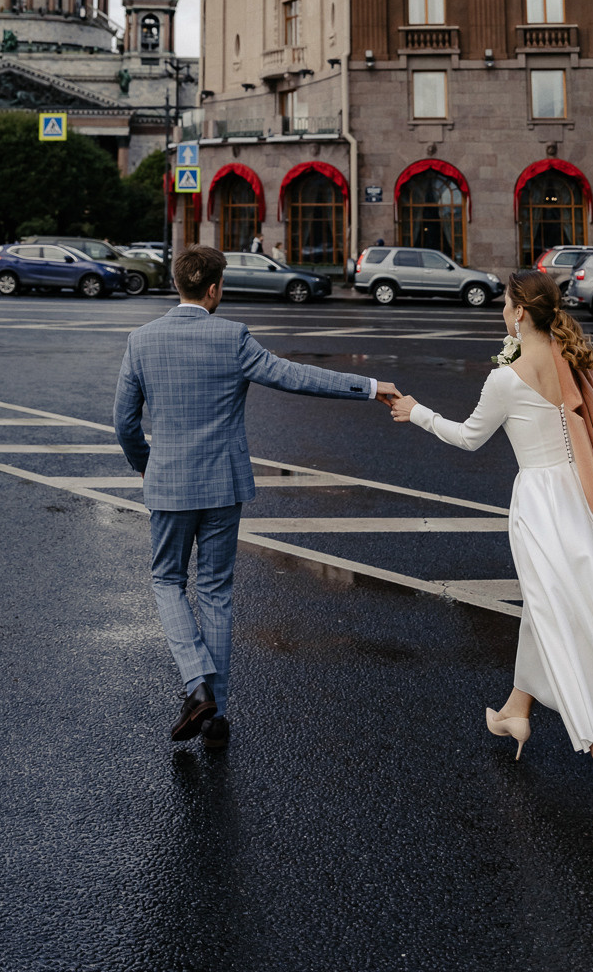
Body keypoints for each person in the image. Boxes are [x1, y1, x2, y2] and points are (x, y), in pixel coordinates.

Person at [389, 268, 593, 855]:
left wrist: (415, 411)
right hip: (588, 506)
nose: (500, 311)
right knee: (551, 617)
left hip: (543, 513)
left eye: (504, 304)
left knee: (573, 647)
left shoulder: (506, 379)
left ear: (520, 312)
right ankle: (516, 712)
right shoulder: (579, 364)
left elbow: (468, 438)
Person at [114, 244, 400, 750]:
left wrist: (146, 465)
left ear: (178, 285)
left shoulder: (141, 341)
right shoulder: (232, 337)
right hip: (223, 485)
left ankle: (195, 682)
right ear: (214, 289)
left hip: (169, 485)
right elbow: (296, 377)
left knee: (167, 581)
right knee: (217, 593)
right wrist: (369, 385)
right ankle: (215, 716)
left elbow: (125, 424)